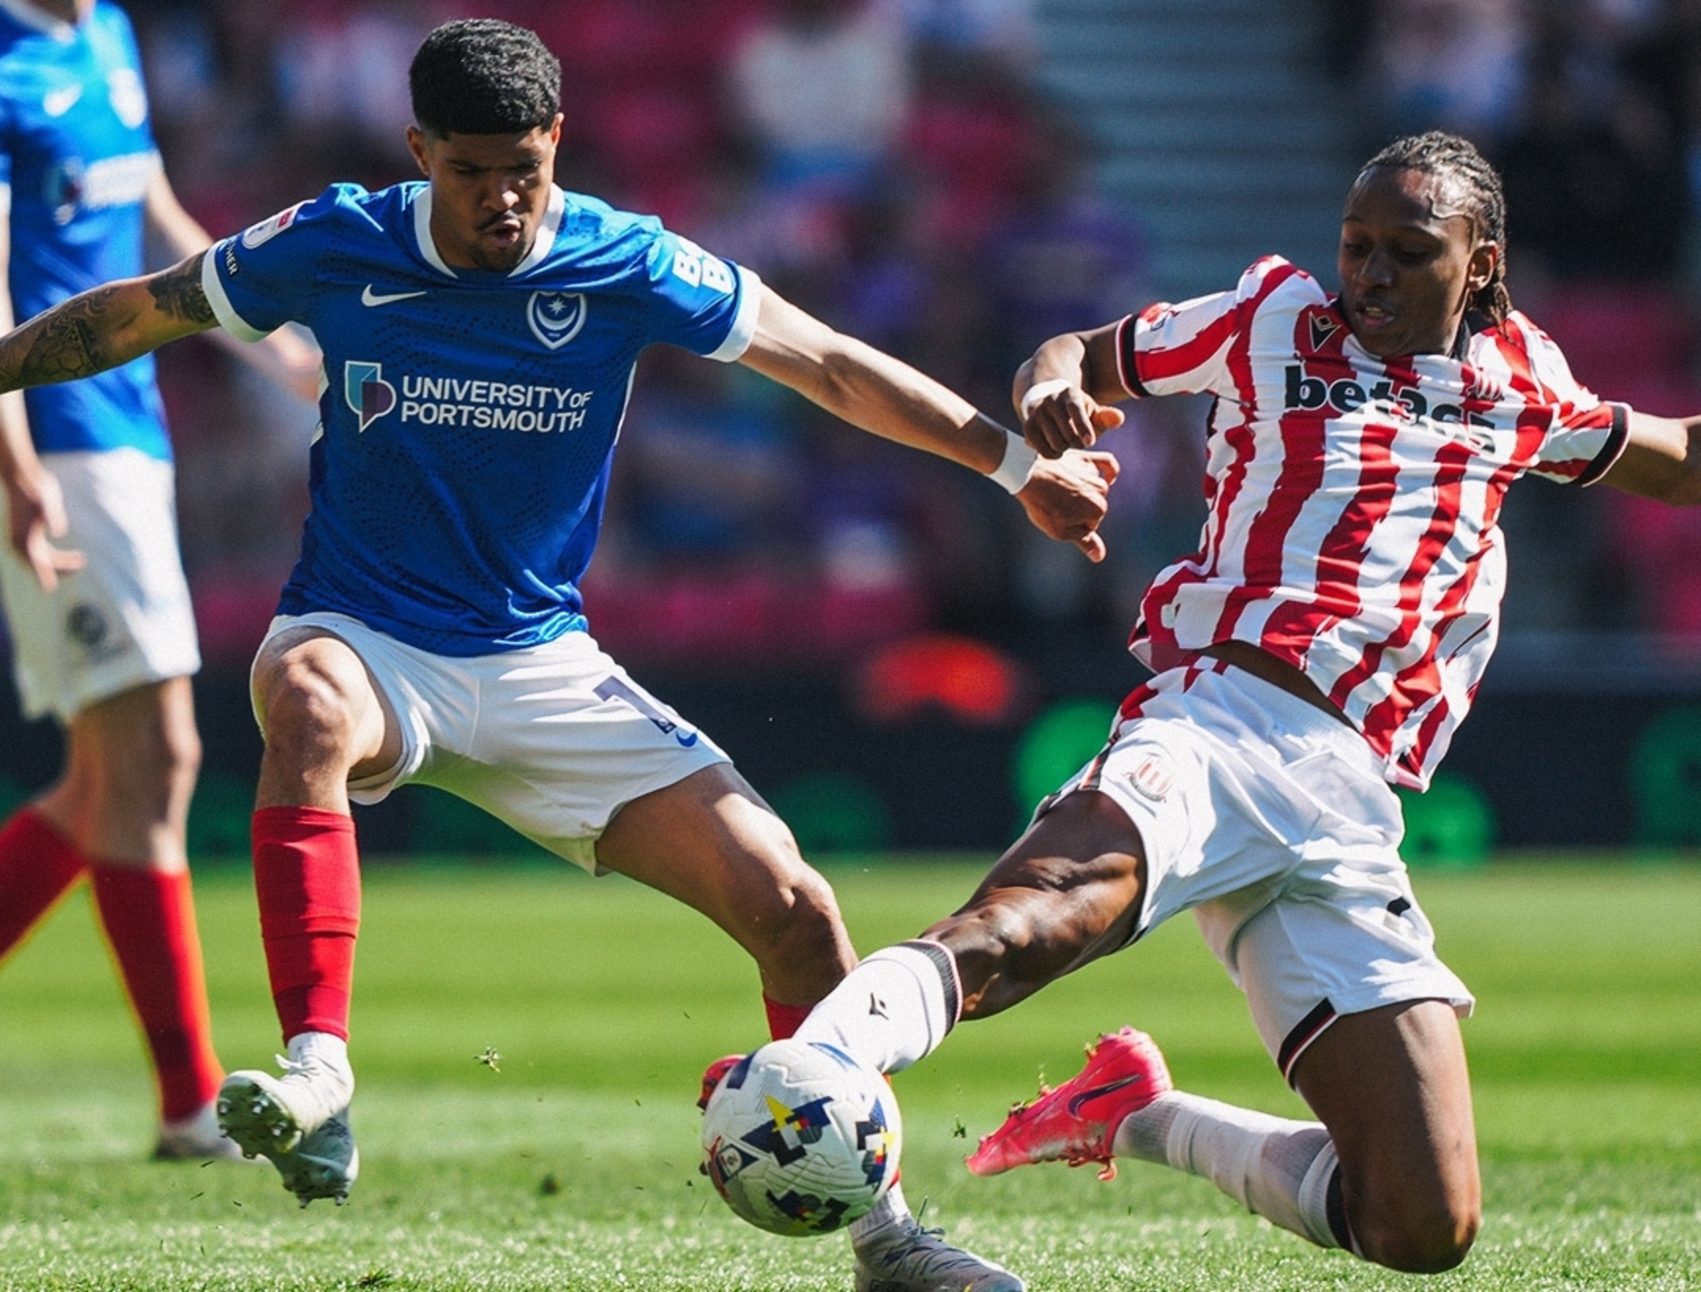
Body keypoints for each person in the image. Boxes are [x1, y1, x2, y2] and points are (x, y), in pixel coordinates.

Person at [0, 18, 1115, 1291]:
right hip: (368, 640)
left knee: (799, 911)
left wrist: (1020, 466)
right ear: (421, 152)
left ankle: (887, 1242)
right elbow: (136, 312)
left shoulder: (622, 257)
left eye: (525, 166)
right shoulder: (334, 240)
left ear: (559, 145)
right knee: (300, 697)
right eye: (472, 170)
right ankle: (320, 1071)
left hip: (543, 663)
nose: (504, 199)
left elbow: (830, 366)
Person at [781, 130, 1701, 1276]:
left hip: (1353, 801)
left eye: (1406, 254)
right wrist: (1056, 384)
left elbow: (1675, 457)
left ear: (1481, 261)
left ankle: (1135, 1113)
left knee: (1422, 1221)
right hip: (1226, 718)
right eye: (1356, 245)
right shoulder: (1272, 321)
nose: (1366, 274)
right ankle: (815, 1073)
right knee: (1040, 913)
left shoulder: (1524, 384)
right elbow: (1075, 351)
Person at [0, 0, 317, 1161]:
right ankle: (188, 1103)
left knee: (109, 781)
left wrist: (261, 333)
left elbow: (154, 208)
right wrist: (18, 469)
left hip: (125, 426)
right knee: (151, 760)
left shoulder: (110, 34)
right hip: (55, 436)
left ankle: (185, 1102)